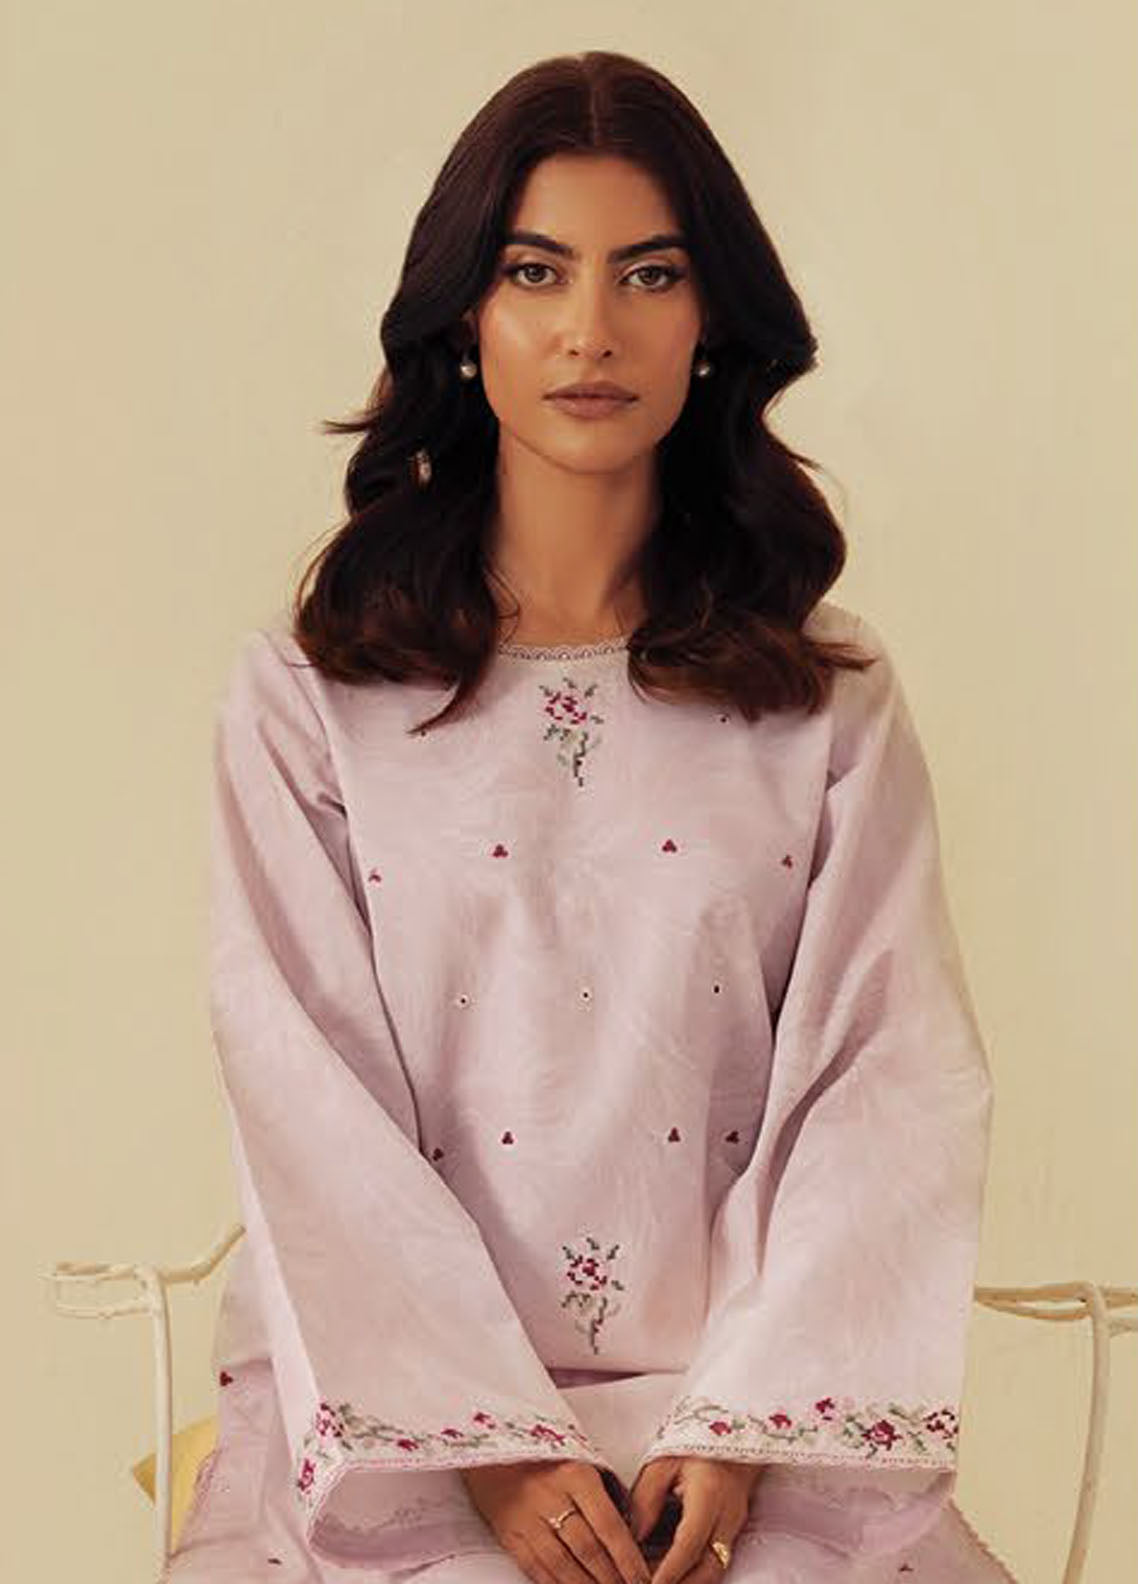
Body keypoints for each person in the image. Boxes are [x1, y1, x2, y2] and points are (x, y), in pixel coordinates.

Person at [169, 48, 1017, 1584]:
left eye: (648, 274)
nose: (587, 330)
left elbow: (886, 1076)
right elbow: (303, 1085)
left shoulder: (820, 692)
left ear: (712, 322)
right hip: (398, 1419)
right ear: (463, 317)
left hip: (742, 1424)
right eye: (533, 272)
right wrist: (487, 1445)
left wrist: (742, 1427)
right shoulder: (312, 694)